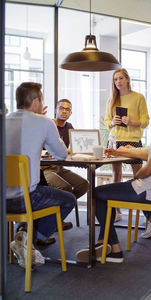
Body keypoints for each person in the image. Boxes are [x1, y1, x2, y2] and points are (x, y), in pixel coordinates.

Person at [76, 81, 151, 263]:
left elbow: (147, 169)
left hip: (147, 190)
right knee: (106, 192)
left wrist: (136, 176)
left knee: (96, 193)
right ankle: (103, 242)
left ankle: (114, 248)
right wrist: (121, 151)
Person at [6, 82, 76, 268]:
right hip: (25, 198)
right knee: (69, 199)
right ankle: (32, 238)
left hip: (2, 198)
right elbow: (62, 154)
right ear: (36, 101)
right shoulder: (44, 122)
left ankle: (23, 234)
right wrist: (47, 126)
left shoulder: (4, 120)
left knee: (43, 188)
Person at [104, 68, 149, 222]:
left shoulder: (139, 97)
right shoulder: (111, 100)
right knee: (116, 176)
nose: (118, 82)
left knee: (139, 177)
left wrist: (131, 122)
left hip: (133, 142)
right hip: (115, 141)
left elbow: (146, 121)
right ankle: (117, 212)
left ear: (128, 79)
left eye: (121, 78)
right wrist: (112, 122)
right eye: (115, 79)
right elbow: (106, 122)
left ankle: (146, 212)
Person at [43, 99, 89, 227]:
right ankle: (54, 220)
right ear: (55, 110)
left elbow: (75, 147)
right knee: (65, 188)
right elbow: (49, 149)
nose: (64, 111)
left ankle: (56, 215)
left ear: (71, 113)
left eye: (67, 109)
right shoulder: (49, 125)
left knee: (84, 185)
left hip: (59, 168)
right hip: (45, 169)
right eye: (61, 108)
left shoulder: (69, 127)